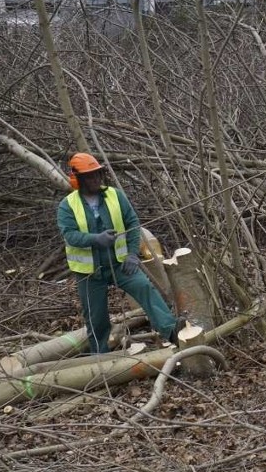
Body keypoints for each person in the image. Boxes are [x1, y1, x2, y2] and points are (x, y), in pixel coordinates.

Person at [57, 152, 181, 354]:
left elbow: (132, 224)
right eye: (90, 176)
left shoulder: (115, 195)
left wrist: (132, 254)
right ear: (78, 179)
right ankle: (101, 355)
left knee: (144, 288)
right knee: (95, 317)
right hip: (89, 272)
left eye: (97, 174)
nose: (95, 179)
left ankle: (172, 331)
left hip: (120, 263)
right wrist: (95, 239)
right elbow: (70, 235)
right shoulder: (67, 205)